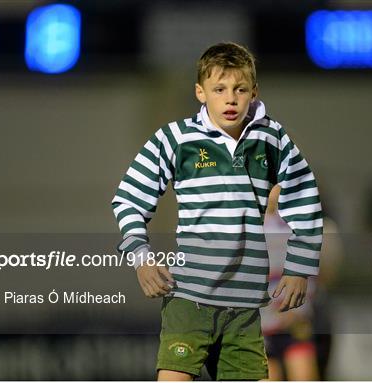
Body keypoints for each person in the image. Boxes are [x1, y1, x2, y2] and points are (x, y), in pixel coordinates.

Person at [111, 42, 323, 381]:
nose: (231, 98)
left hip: (245, 306)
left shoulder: (273, 139)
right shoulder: (175, 139)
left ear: (254, 91)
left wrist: (299, 266)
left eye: (240, 89)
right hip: (190, 298)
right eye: (219, 89)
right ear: (200, 92)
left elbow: (305, 199)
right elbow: (129, 198)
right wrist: (141, 257)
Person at [262, 185, 343, 381]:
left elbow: (315, 274)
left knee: (305, 374)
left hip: (296, 321)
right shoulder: (253, 225)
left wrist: (297, 309)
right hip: (263, 324)